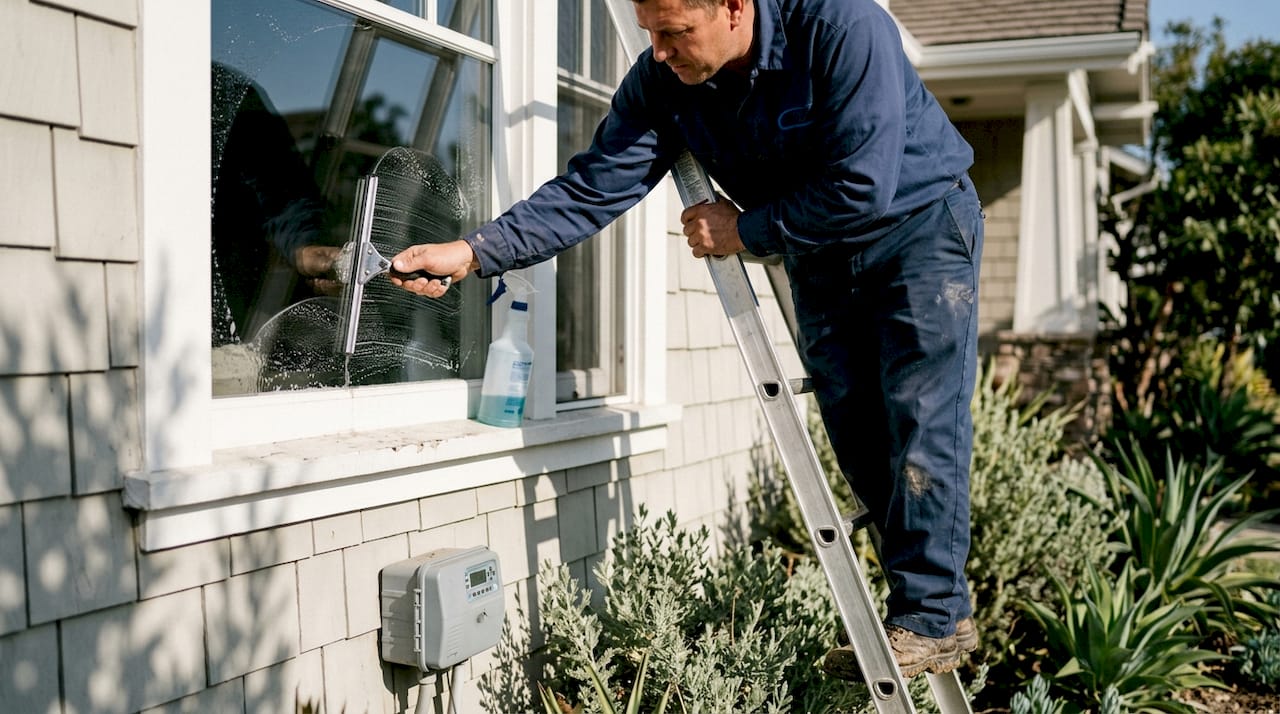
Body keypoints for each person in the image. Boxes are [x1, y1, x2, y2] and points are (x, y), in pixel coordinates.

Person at [390, 0, 983, 679]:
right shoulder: (662, 81)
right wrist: (474, 252)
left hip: (918, 230)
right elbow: (591, 188)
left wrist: (743, 230)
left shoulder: (842, 28)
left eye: (674, 33)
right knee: (858, 436)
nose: (659, 52)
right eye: (650, 33)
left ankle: (930, 616)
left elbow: (864, 186)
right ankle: (941, 609)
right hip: (818, 251)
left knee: (920, 416)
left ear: (734, 7)